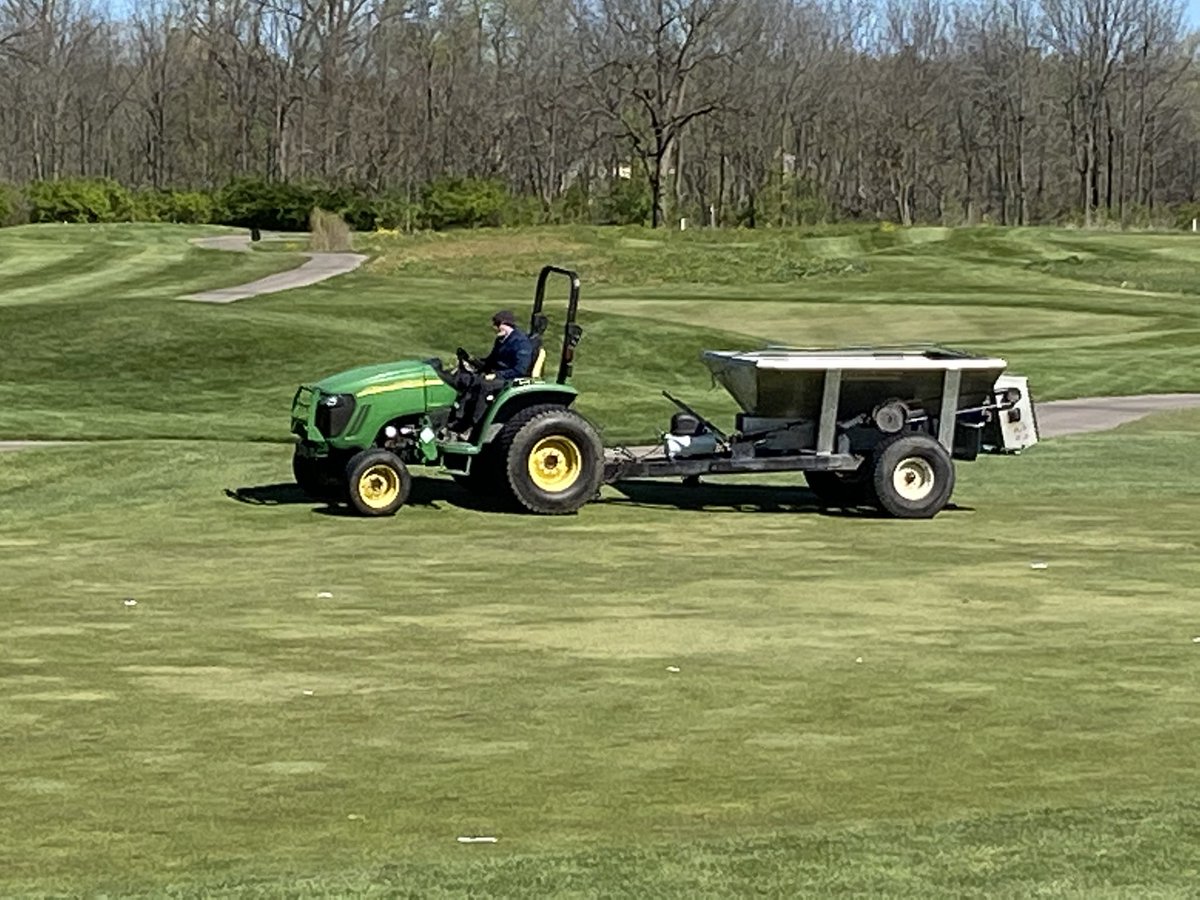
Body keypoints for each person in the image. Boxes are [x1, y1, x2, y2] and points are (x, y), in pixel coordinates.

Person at [450, 310, 534, 433]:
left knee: (484, 385)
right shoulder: (501, 340)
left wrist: (497, 375)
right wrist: (473, 362)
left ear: (506, 324)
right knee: (467, 379)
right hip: (496, 373)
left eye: (497, 324)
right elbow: (491, 361)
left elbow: (520, 370)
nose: (495, 327)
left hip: (510, 378)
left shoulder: (521, 343)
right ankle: (458, 418)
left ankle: (473, 426)